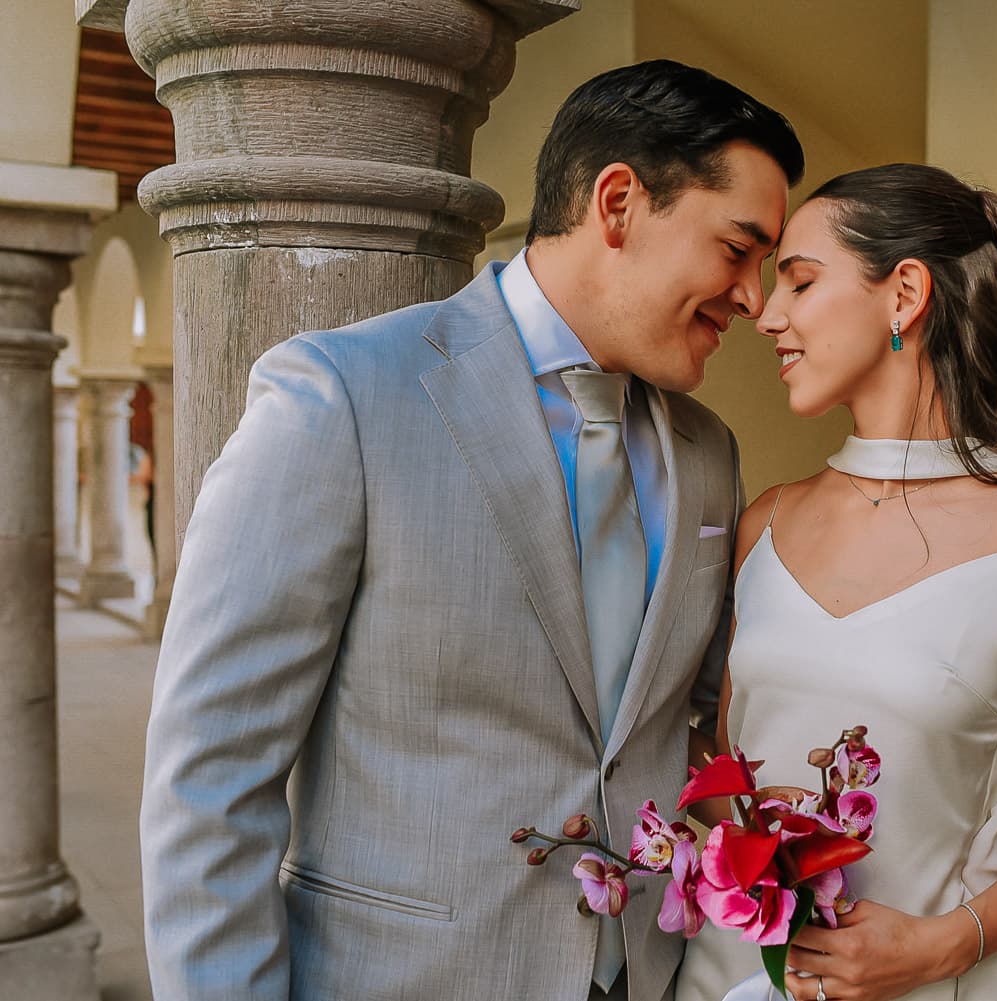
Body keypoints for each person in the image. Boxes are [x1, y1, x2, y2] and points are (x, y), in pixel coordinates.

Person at [140, 60, 803, 1001]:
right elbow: (210, 775)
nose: (754, 297)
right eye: (739, 248)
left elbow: (689, 725)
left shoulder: (709, 454)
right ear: (619, 203)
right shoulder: (341, 397)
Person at [676, 163, 997, 1001]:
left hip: (933, 985)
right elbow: (715, 755)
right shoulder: (765, 524)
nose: (768, 315)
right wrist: (750, 832)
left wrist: (943, 947)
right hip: (728, 978)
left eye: (801, 281)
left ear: (905, 294)